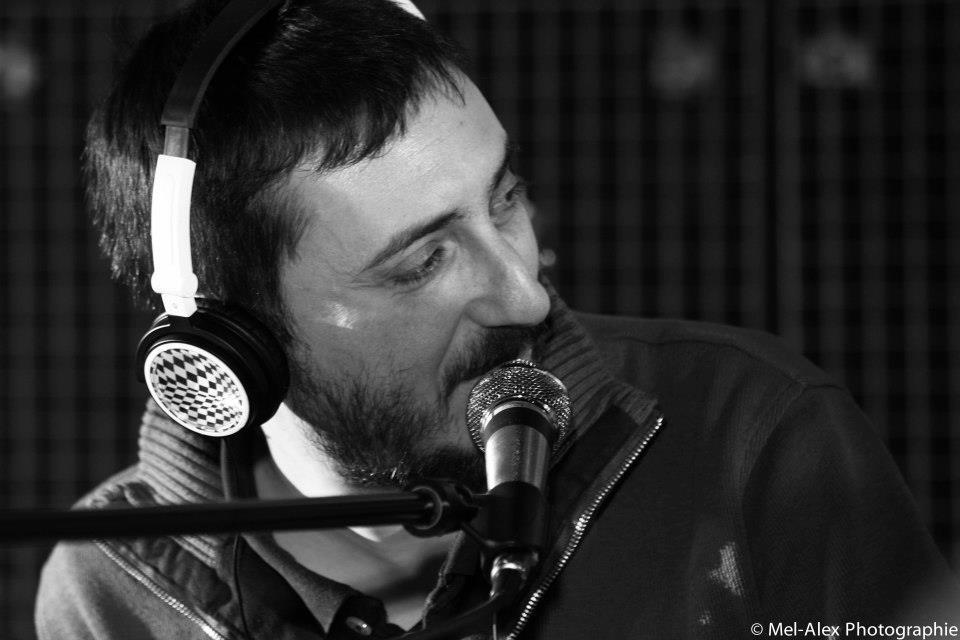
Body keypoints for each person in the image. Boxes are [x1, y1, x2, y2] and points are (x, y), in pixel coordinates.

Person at [35, 0, 960, 638]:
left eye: (505, 198)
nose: (526, 295)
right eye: (424, 262)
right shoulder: (107, 587)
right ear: (232, 348)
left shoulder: (758, 437)